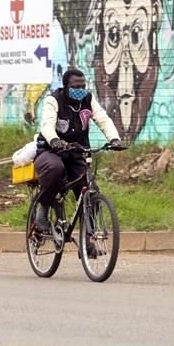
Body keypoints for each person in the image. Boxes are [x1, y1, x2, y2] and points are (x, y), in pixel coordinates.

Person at [34, 68, 123, 255]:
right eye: (76, 86)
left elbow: (103, 119)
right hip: (52, 150)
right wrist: (55, 141)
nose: (80, 89)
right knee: (55, 169)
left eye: (83, 86)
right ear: (66, 86)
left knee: (91, 191)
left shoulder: (88, 100)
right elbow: (47, 126)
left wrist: (114, 139)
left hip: (77, 152)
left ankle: (87, 243)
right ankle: (42, 211)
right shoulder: (53, 100)